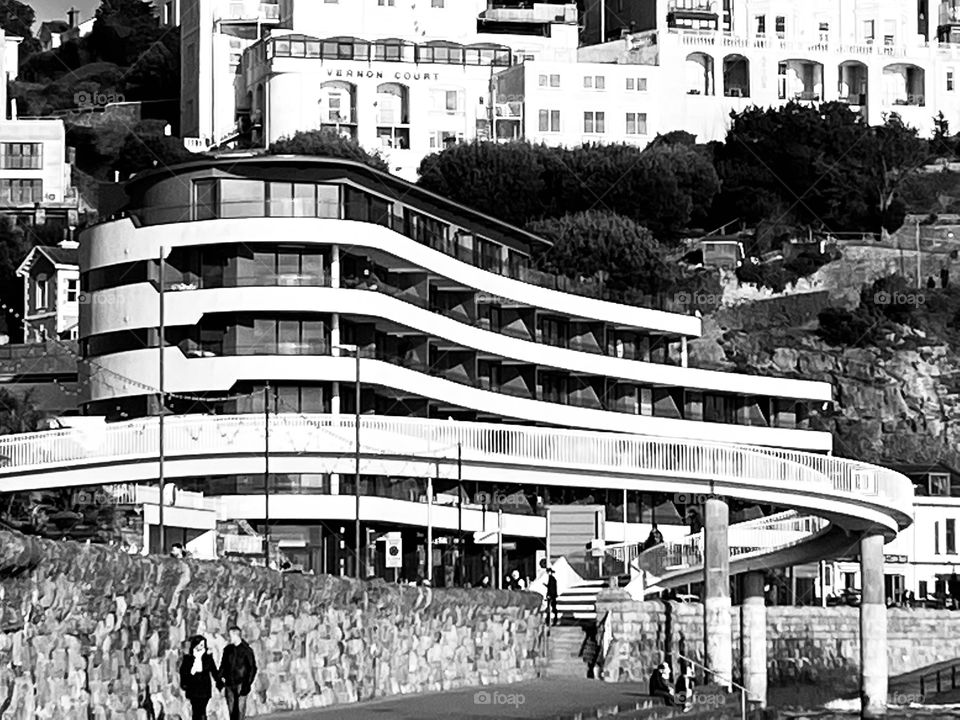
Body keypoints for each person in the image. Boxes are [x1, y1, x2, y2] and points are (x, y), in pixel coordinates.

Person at [219, 626, 258, 720]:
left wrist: (247, 683)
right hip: (229, 683)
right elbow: (223, 666)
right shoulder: (227, 650)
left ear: (235, 635)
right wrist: (221, 679)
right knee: (231, 709)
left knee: (240, 710)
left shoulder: (247, 650)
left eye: (230, 635)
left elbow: (252, 668)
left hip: (242, 683)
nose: (229, 638)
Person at [179, 635, 221, 720]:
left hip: (204, 688)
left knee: (202, 710)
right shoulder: (188, 658)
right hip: (193, 688)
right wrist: (184, 683)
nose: (202, 647)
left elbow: (214, 671)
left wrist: (220, 682)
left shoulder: (208, 658)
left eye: (203, 645)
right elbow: (183, 672)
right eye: (200, 645)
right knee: (195, 710)